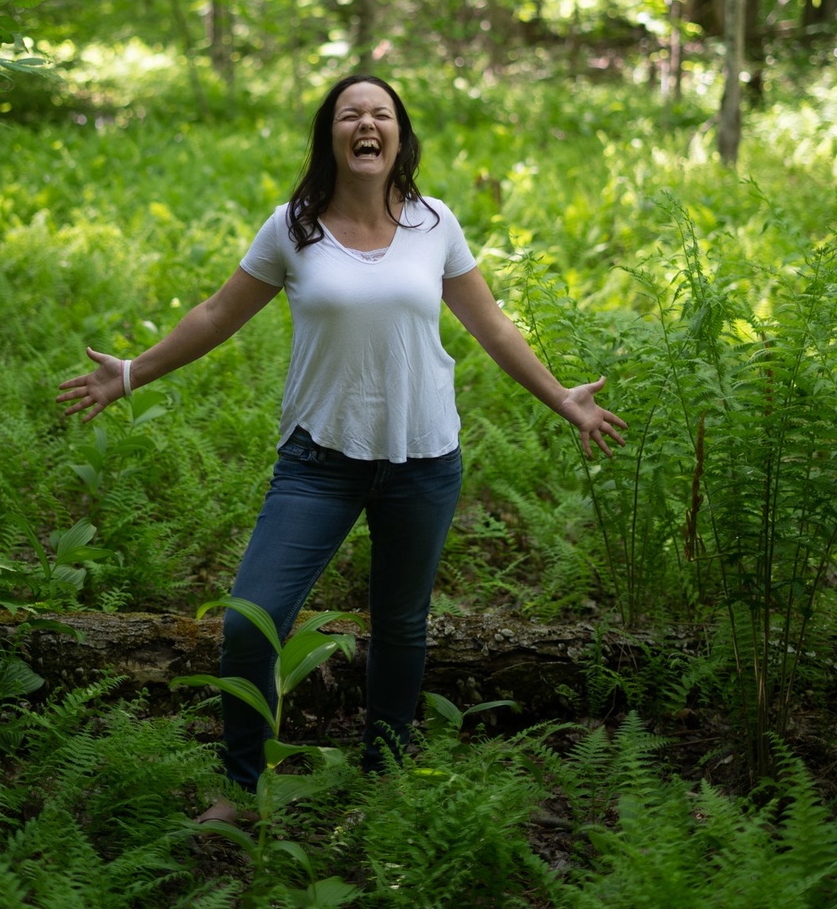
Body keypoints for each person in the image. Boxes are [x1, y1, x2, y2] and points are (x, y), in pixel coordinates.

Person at [57, 73, 626, 818]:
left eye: (381, 114)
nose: (366, 123)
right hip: (318, 461)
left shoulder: (435, 223)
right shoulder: (292, 228)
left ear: (399, 137)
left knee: (400, 626)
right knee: (250, 620)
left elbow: (491, 324)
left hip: (424, 458)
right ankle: (243, 788)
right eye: (350, 113)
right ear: (331, 136)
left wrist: (561, 398)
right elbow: (217, 314)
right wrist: (133, 373)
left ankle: (383, 777)